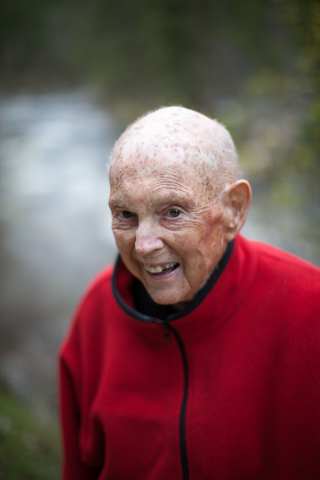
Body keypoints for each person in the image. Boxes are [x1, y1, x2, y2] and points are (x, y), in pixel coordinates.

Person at [59, 106, 320, 480]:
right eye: (126, 215)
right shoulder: (97, 312)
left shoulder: (310, 312)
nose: (144, 245)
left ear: (234, 210)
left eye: (173, 212)